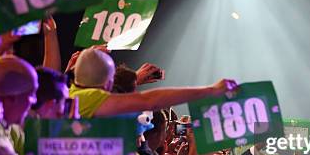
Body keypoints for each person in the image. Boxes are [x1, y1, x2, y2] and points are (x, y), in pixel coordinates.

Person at [69, 48, 237, 118]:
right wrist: (211, 90)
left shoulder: (72, 92)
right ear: (108, 83)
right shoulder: (89, 98)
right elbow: (150, 100)